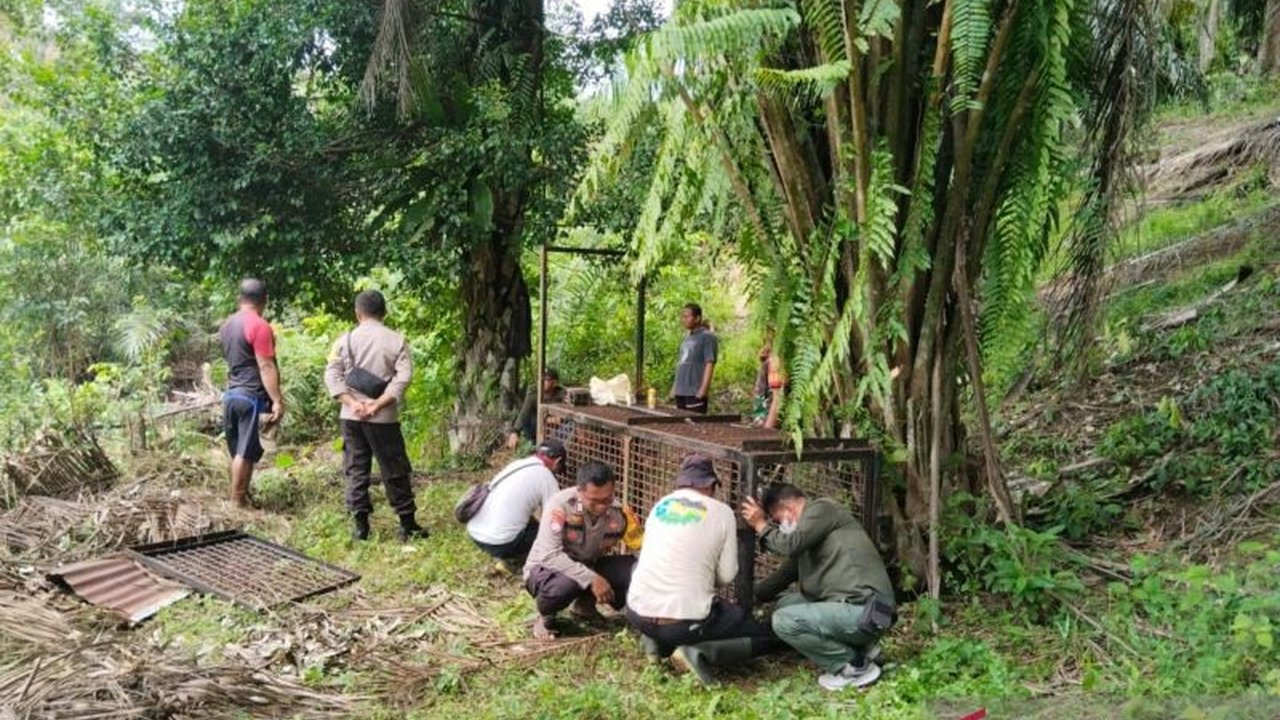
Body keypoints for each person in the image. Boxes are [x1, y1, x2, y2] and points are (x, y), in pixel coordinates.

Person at [626, 454, 777, 686]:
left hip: (637, 614)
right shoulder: (722, 512)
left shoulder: (660, 505)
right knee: (758, 633)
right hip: (682, 624)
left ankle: (653, 645)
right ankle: (696, 653)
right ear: (710, 485)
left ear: (681, 483)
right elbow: (727, 575)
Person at [740, 483, 895, 691]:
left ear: (788, 508)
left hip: (868, 612)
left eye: (777, 520)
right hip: (854, 608)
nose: (778, 525)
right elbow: (786, 574)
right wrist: (750, 596)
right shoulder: (810, 535)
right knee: (785, 605)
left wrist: (761, 525)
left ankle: (854, 666)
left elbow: (790, 545)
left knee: (784, 621)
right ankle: (864, 649)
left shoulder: (823, 509)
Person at [323, 290, 429, 543]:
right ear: (384, 313)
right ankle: (407, 524)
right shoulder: (396, 340)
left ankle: (360, 527)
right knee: (394, 467)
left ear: (358, 314)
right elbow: (404, 376)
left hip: (351, 417)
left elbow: (332, 375)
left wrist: (352, 403)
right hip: (384, 418)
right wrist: (378, 404)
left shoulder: (343, 340)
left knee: (356, 468)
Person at [523, 461, 640, 640]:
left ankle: (584, 607)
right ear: (579, 492)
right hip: (547, 570)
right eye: (594, 501)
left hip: (588, 564)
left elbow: (638, 542)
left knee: (636, 568)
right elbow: (549, 555)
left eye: (607, 499)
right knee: (566, 585)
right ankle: (545, 616)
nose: (602, 506)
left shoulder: (617, 512)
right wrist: (592, 578)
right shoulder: (560, 506)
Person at [218, 278, 284, 508]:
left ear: (240, 298)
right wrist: (276, 400)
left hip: (232, 394)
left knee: (239, 451)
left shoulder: (226, 325)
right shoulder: (259, 326)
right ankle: (236, 501)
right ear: (264, 300)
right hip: (252, 396)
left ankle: (242, 495)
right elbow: (265, 365)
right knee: (245, 453)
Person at [467, 439, 567, 573]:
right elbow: (554, 518)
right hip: (500, 543)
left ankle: (509, 557)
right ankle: (518, 562)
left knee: (532, 525)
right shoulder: (546, 476)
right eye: (559, 469)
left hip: (475, 534)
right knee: (552, 534)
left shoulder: (517, 464)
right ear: (557, 461)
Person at [670, 303, 717, 414]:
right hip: (681, 392)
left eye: (687, 316)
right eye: (683, 317)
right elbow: (681, 364)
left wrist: (703, 390)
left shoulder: (707, 337)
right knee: (680, 423)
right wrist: (674, 388)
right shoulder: (686, 338)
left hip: (694, 392)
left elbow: (710, 363)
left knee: (694, 423)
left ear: (697, 318)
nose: (683, 320)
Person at [506, 368, 565, 449]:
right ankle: (533, 443)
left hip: (555, 427)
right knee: (529, 418)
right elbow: (524, 413)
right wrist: (515, 431)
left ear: (554, 382)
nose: (541, 382)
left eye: (546, 380)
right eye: (540, 379)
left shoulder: (560, 393)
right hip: (536, 426)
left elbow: (565, 413)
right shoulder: (534, 394)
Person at [751, 329, 785, 429]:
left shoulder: (774, 362)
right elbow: (760, 394)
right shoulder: (770, 362)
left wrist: (767, 427)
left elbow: (777, 398)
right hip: (766, 415)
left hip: (774, 418)